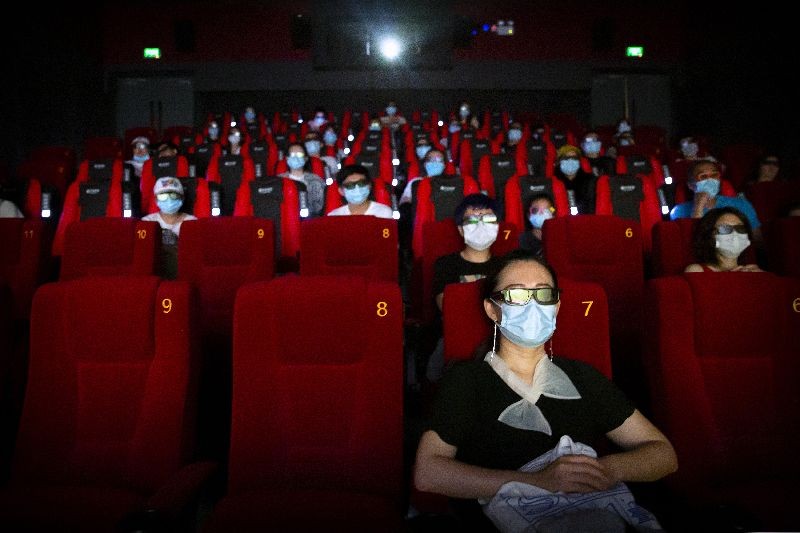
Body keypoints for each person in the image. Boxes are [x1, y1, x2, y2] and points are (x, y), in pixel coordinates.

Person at [414, 249, 678, 527]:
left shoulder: (582, 376)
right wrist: (538, 481)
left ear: (557, 307)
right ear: (492, 310)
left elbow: (664, 454)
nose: (533, 305)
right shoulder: (468, 380)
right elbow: (428, 472)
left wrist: (605, 470)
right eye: (517, 294)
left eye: (543, 294)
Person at [427, 194, 502, 383]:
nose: (481, 225)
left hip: (499, 336)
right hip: (457, 334)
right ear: (461, 229)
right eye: (473, 220)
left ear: (497, 226)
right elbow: (447, 306)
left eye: (488, 219)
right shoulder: (446, 265)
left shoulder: (506, 266)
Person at [670, 160, 761, 232]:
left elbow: (757, 239)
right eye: (703, 176)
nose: (710, 180)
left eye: (714, 175)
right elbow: (690, 241)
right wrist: (698, 208)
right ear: (690, 185)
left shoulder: (741, 204)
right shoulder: (679, 211)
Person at [142, 177, 197, 279]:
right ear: (155, 199)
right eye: (163, 196)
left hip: (183, 271)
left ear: (182, 198)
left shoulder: (192, 222)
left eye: (173, 195)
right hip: (155, 272)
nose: (169, 200)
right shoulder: (147, 222)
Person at [684, 207, 763, 273]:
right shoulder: (697, 270)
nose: (735, 234)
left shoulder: (753, 272)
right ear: (710, 236)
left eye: (740, 228)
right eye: (725, 229)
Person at [278, 141, 326, 217]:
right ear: (287, 158)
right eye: (292, 155)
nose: (296, 157)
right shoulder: (278, 181)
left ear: (305, 158)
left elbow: (317, 208)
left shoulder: (316, 180)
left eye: (300, 155)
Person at [327, 164, 393, 219]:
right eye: (350, 185)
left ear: (369, 185)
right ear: (341, 191)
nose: (357, 189)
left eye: (361, 183)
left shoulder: (384, 213)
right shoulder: (333, 217)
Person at [553, 144, 596, 214]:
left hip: (585, 218)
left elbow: (592, 206)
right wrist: (553, 210)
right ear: (559, 161)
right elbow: (551, 207)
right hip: (562, 219)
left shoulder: (590, 180)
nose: (570, 160)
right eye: (566, 158)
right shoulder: (553, 182)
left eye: (574, 158)